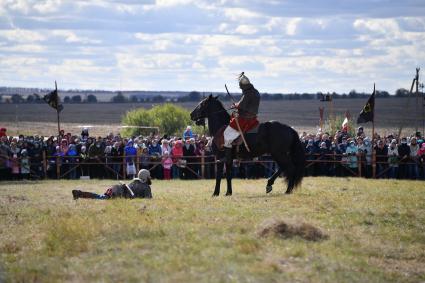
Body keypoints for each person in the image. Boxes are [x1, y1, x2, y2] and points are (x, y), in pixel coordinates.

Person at [223, 72, 260, 162]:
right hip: (253, 119)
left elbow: (242, 104)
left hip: (244, 119)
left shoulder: (248, 94)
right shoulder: (256, 92)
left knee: (227, 134)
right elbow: (244, 104)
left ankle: (228, 157)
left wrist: (235, 105)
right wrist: (237, 105)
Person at [72, 169, 153, 199]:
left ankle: (79, 194)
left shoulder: (134, 182)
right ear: (145, 177)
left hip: (116, 189)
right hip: (118, 193)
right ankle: (79, 194)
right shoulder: (146, 187)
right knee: (101, 198)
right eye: (148, 176)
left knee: (100, 197)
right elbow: (148, 199)